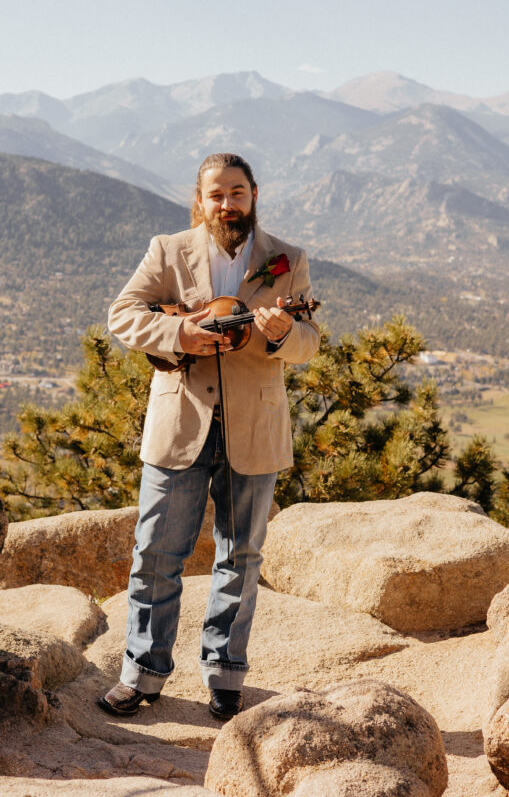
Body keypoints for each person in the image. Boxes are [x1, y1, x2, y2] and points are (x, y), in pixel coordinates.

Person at [99, 152, 321, 721]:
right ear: (200, 200)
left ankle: (225, 675)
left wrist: (281, 335)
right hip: (181, 427)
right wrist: (180, 331)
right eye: (217, 194)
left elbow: (309, 342)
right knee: (155, 554)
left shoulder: (286, 260)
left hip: (255, 428)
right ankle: (142, 674)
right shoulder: (168, 251)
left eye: (238, 192)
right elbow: (122, 315)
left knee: (240, 557)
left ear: (253, 195)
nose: (228, 203)